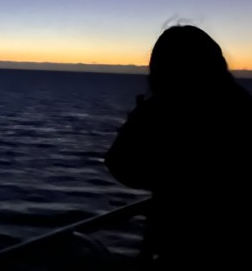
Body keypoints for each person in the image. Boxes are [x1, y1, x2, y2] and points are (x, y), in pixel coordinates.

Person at [105, 25, 252, 269]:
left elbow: (120, 165)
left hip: (182, 246)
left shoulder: (161, 111)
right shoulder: (242, 105)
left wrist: (139, 120)